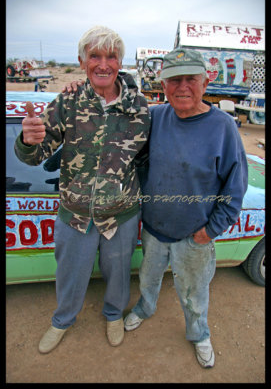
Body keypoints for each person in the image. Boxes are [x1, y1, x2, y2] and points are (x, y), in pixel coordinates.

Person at [14, 25, 151, 354]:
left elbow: (144, 160)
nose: (103, 64)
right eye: (94, 56)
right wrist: (28, 142)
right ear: (81, 61)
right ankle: (62, 320)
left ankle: (114, 314)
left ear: (120, 62)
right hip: (74, 213)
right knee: (70, 273)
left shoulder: (139, 106)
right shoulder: (68, 99)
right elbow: (37, 153)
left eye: (111, 56)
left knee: (118, 272)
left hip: (121, 214)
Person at [123, 48, 248, 368]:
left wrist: (211, 231)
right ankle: (145, 308)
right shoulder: (155, 116)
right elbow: (118, 132)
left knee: (194, 292)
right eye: (173, 80)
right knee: (148, 278)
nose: (182, 87)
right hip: (153, 228)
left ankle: (199, 333)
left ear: (205, 82)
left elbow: (235, 187)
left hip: (195, 235)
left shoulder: (223, 127)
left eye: (190, 79)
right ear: (163, 85)